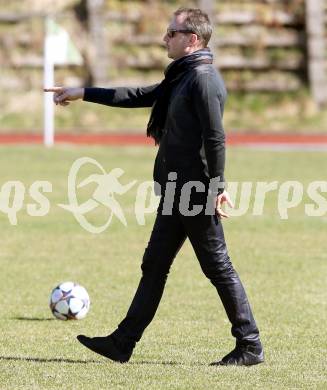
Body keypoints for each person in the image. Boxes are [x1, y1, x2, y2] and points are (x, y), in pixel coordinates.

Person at [44, 7, 264, 366]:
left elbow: (216, 138)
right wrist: (82, 92)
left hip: (195, 191)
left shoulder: (203, 79)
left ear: (192, 40)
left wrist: (218, 188)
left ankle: (250, 345)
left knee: (218, 267)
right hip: (176, 192)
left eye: (171, 33)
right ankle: (123, 342)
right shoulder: (182, 77)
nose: (165, 38)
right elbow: (139, 94)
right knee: (155, 265)